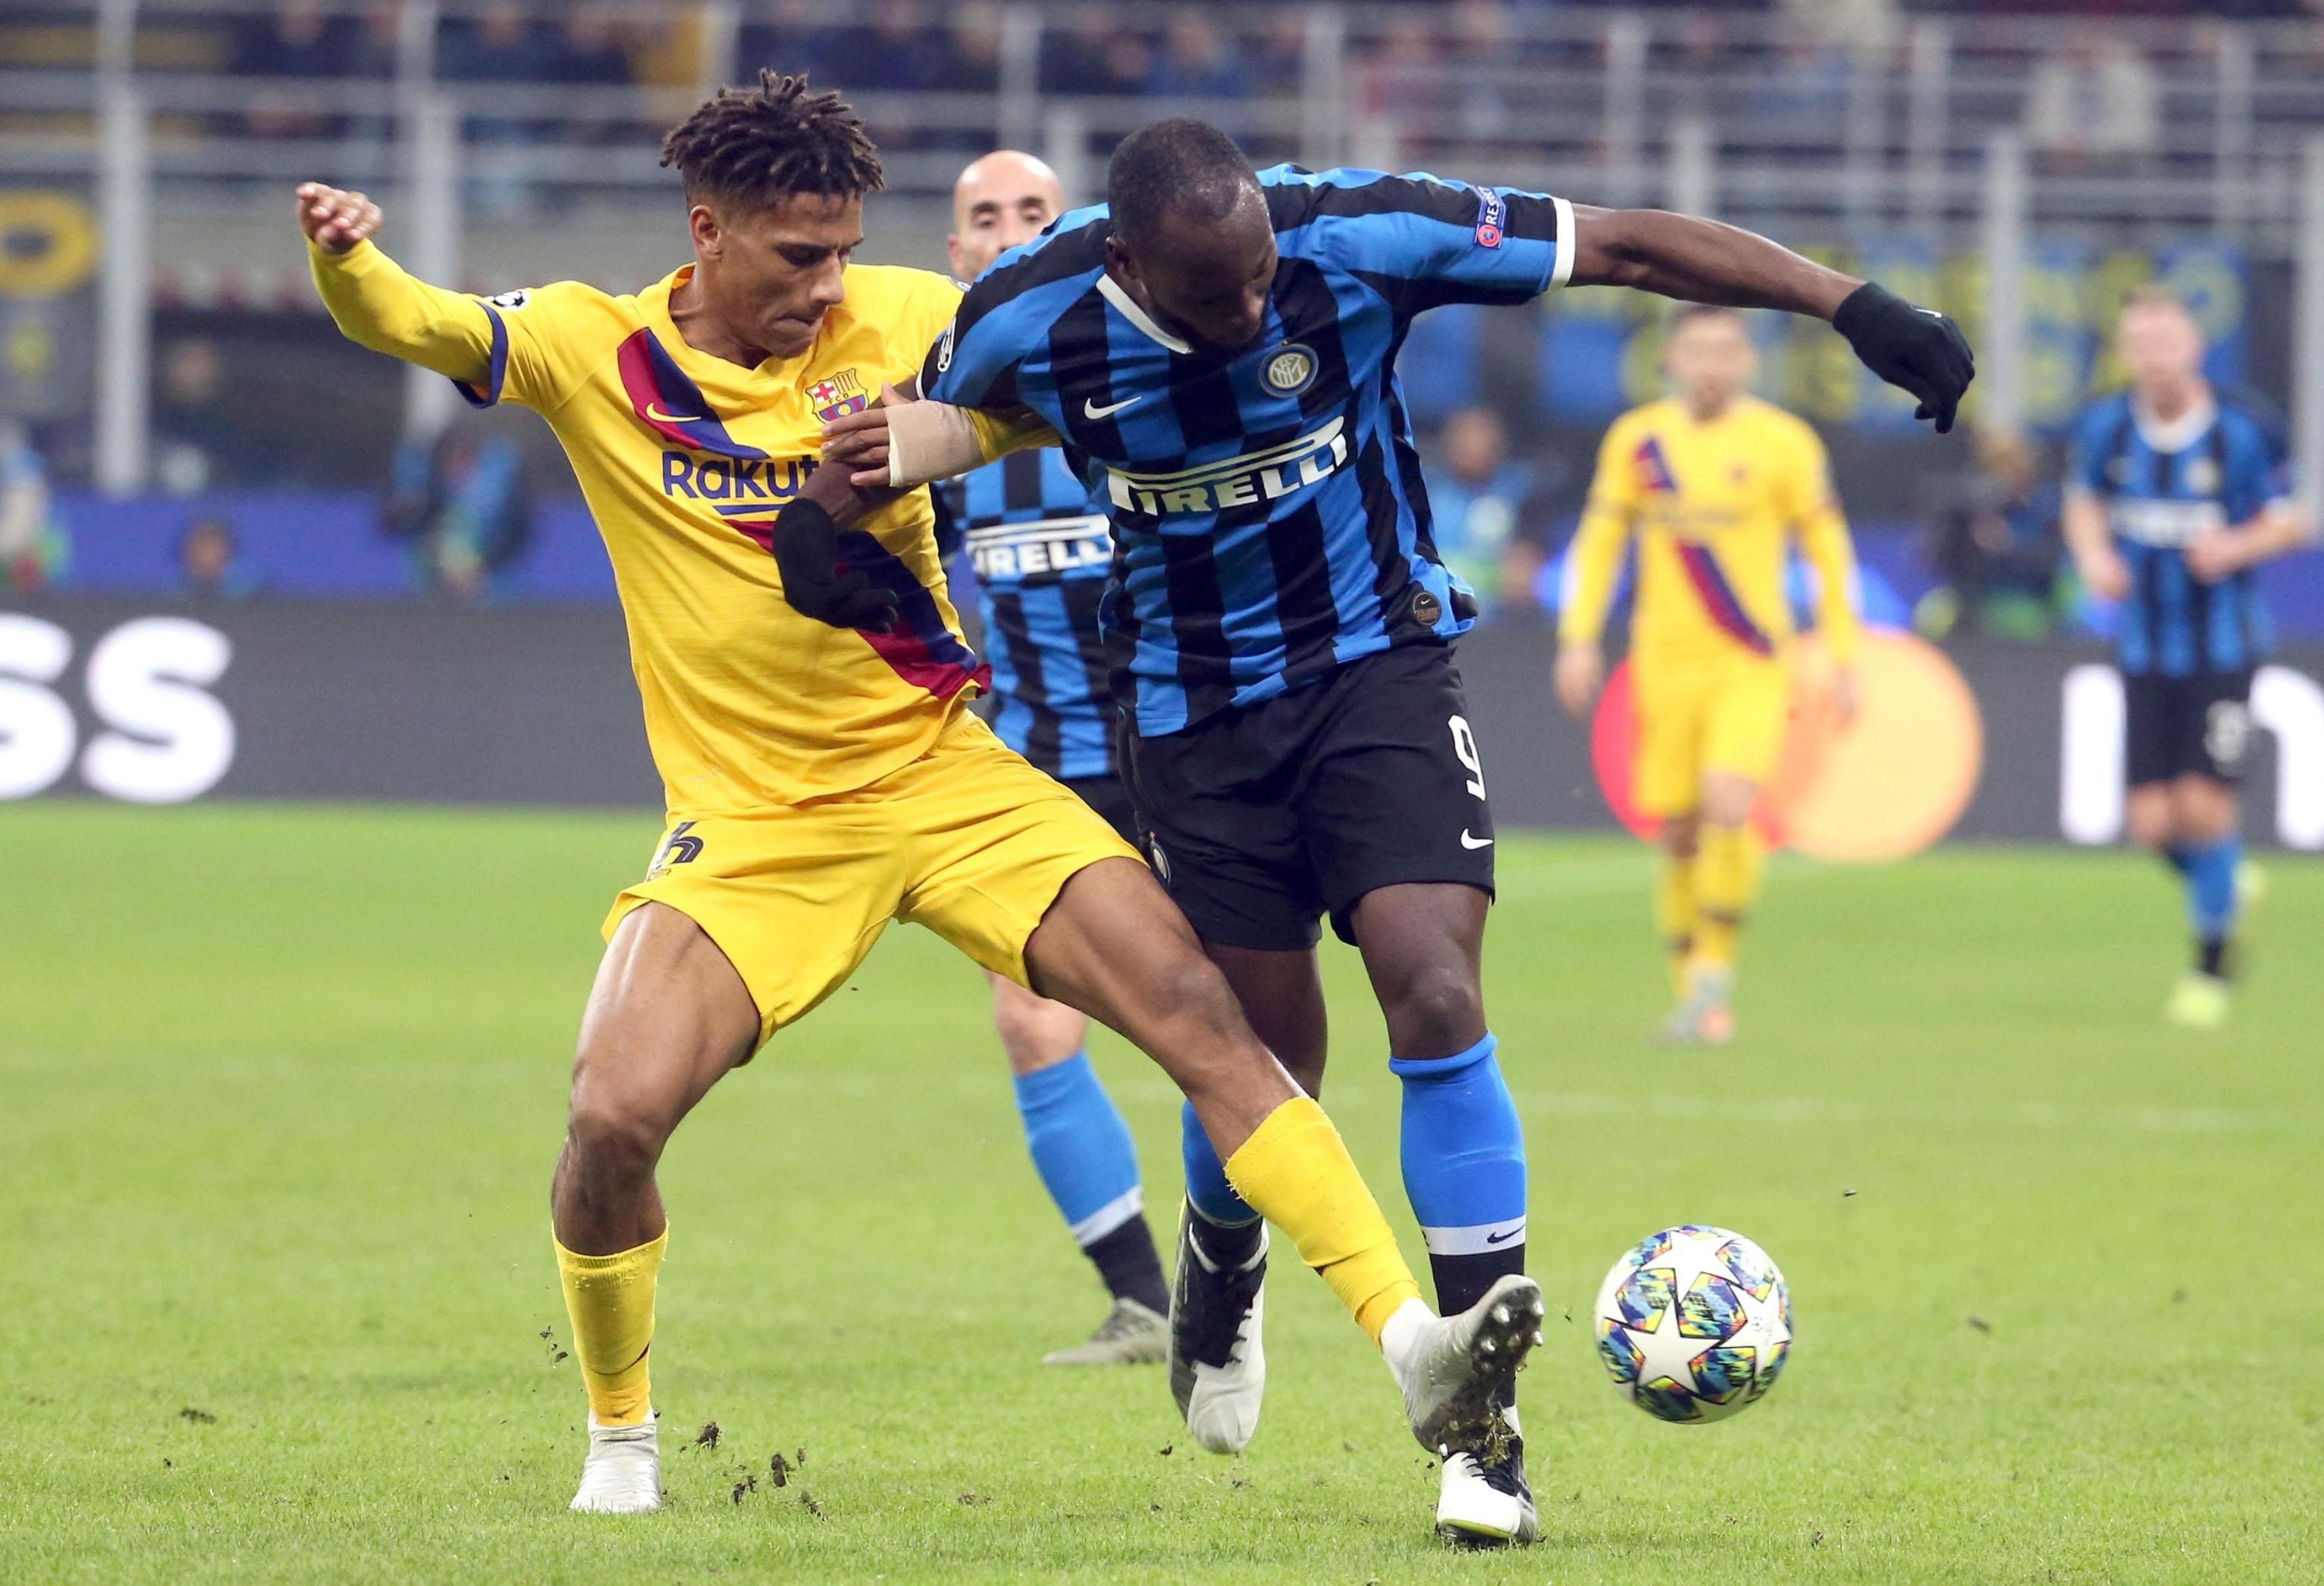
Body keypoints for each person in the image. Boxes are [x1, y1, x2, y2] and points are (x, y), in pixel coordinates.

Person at [295, 72, 1542, 1525]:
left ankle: (1415, 1351)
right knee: (610, 1117)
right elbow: (423, 324)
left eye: (845, 252)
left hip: (948, 776)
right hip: (758, 826)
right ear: (707, 232)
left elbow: (1070, 383)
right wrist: (348, 261)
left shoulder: (907, 321)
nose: (833, 287)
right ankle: (622, 1436)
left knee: (1208, 1017)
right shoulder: (593, 348)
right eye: (797, 258)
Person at [822, 116, 1971, 1546]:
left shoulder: (1357, 229)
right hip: (1189, 710)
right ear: (1123, 261)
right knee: (1257, 1054)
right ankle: (1220, 1261)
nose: (1246, 312)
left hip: (1379, 665)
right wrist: (826, 532)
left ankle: (1482, 1441)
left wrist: (1848, 303)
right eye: (1210, 297)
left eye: (1256, 281)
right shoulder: (1023, 310)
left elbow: (1621, 241)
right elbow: (902, 443)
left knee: (1430, 984)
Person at [935, 149, 1170, 1367]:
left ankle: (1254, 1270)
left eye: (1038, 210)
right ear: (958, 252)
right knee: (1033, 1026)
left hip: (1181, 746)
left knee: (1230, 1026)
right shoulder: (941, 415)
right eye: (988, 218)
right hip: (1038, 768)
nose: (1014, 229)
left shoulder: (1136, 377)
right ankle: (1144, 1297)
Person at [1553, 304, 1864, 1045]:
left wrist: (1845, 652)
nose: (1712, 367)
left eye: (1726, 352)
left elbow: (1827, 549)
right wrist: (1578, 638)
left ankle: (1716, 974)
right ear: (1672, 360)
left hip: (1751, 658)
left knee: (1731, 802)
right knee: (1679, 829)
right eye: (1698, 352)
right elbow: (1600, 543)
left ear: (1749, 362)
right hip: (1663, 661)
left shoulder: (1784, 443)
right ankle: (1692, 991)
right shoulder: (1639, 441)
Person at [2062, 288, 2311, 1029]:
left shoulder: (2244, 429)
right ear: (2127, 353)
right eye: (2141, 342)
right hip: (2143, 647)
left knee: (2202, 808)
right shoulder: (2107, 426)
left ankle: (2211, 968)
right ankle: (2228, 879)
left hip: (2225, 648)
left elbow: (2293, 517)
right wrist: (2093, 556)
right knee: (2149, 825)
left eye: (2167, 340)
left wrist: (2238, 544)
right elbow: (2082, 501)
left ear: (2194, 347)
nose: (2156, 355)